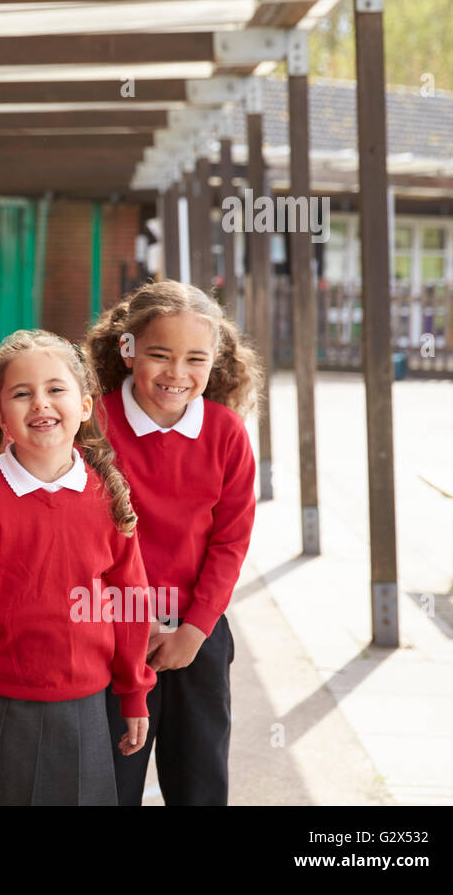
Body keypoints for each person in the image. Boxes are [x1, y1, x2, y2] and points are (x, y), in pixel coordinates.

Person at [0, 330, 154, 805]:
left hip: (86, 701)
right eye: (22, 393)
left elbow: (130, 601)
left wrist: (134, 691)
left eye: (55, 389)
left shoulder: (107, 495)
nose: (40, 404)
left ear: (85, 405)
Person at [85, 280, 261, 806]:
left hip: (195, 636)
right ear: (127, 348)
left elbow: (231, 539)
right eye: (160, 354)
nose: (177, 374)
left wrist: (196, 630)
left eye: (195, 359)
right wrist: (121, 626)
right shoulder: (91, 422)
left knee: (200, 784)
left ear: (215, 361)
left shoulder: (227, 433)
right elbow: (74, 535)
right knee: (110, 785)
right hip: (109, 635)